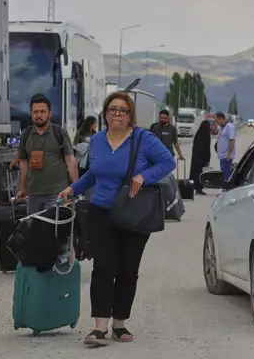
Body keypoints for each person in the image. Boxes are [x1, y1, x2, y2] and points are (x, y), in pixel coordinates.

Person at [58, 91, 175, 347]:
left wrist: (144, 177)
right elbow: (93, 174)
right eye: (113, 109)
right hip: (101, 212)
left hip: (134, 212)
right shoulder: (97, 140)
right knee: (103, 266)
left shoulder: (144, 139)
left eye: (123, 110)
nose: (117, 114)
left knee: (127, 270)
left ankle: (119, 323)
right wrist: (72, 189)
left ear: (130, 115)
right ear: (105, 113)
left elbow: (168, 162)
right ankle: (100, 327)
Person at [16, 94, 78, 214]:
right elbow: (23, 163)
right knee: (33, 229)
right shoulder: (26, 134)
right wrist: (22, 188)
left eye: (42, 111)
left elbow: (70, 160)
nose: (39, 115)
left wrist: (75, 187)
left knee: (50, 229)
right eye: (35, 112)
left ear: (50, 114)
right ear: (31, 114)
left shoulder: (59, 133)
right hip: (33, 194)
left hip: (57, 193)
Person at [190, 120, 211, 195]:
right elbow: (207, 148)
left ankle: (194, 187)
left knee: (195, 173)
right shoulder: (206, 135)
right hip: (202, 158)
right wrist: (208, 159)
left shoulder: (198, 134)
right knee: (200, 174)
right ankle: (199, 189)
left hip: (196, 157)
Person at [215, 112, 236, 181]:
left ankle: (227, 189)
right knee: (223, 174)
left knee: (226, 175)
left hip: (227, 156)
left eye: (216, 120)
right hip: (222, 156)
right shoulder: (222, 127)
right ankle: (224, 188)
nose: (216, 122)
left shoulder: (230, 127)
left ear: (221, 118)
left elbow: (232, 140)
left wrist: (229, 153)